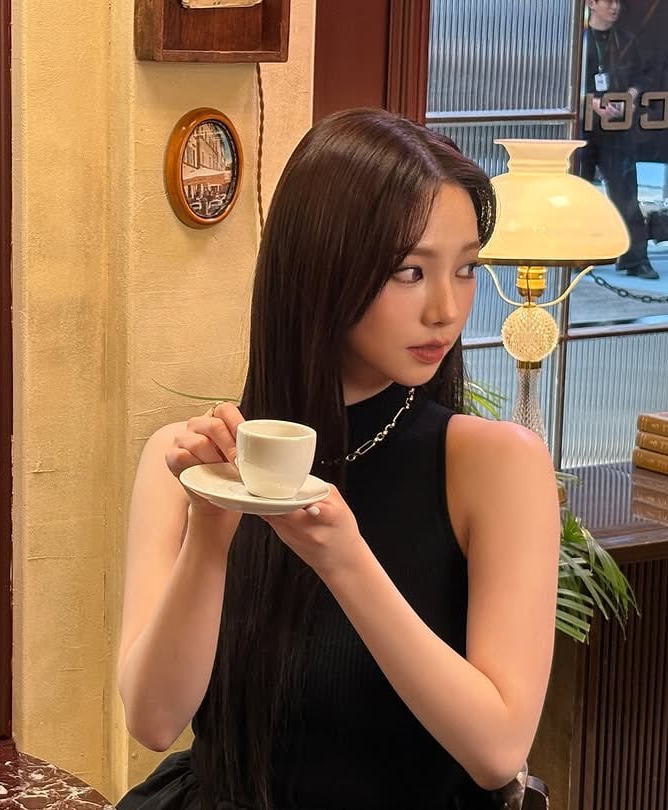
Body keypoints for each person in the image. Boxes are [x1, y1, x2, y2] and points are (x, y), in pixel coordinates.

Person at [116, 109, 560, 809]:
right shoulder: (185, 462)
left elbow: (498, 750)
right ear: (321, 269)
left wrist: (345, 560)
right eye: (410, 271)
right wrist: (210, 530)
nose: (446, 309)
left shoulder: (497, 466)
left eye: (467, 268)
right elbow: (152, 720)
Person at [579, 0, 659, 279]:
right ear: (592, 4)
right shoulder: (579, 41)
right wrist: (590, 102)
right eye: (608, 1)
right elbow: (564, 82)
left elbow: (644, 75)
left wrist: (631, 96)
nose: (615, 8)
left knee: (626, 193)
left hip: (617, 127)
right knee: (579, 191)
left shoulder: (626, 40)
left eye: (617, 2)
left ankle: (635, 258)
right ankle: (577, 252)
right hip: (583, 129)